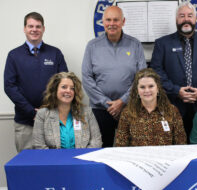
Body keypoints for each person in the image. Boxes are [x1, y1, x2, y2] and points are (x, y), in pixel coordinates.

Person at [150, 2, 197, 142]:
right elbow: (156, 71)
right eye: (182, 16)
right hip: (172, 105)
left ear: (195, 19)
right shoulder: (162, 43)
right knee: (174, 147)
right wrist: (176, 90)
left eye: (190, 15)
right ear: (176, 19)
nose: (186, 19)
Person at [82, 6, 146, 147]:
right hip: (101, 110)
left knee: (133, 149)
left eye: (116, 20)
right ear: (103, 22)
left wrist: (122, 101)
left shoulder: (135, 45)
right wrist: (107, 103)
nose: (112, 23)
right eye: (108, 20)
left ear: (123, 21)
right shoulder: (92, 46)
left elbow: (142, 78)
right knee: (102, 150)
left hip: (130, 107)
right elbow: (86, 78)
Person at [4, 12, 68, 152]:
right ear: (24, 29)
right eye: (30, 26)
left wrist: (47, 110)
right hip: (25, 123)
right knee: (26, 167)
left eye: (38, 26)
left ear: (43, 29)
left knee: (52, 165)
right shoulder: (14, 55)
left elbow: (64, 84)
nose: (34, 29)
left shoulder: (55, 53)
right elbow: (9, 87)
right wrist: (31, 112)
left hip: (52, 120)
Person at [114, 68, 187, 146]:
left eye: (151, 86)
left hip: (165, 157)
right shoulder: (127, 113)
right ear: (137, 90)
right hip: (138, 157)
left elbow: (181, 143)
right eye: (142, 87)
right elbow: (120, 145)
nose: (147, 90)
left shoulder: (172, 111)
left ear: (158, 88)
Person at [33, 72, 102, 149]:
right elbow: (39, 146)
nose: (68, 91)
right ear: (55, 90)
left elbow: (96, 141)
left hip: (82, 159)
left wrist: (82, 158)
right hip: (53, 160)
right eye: (64, 87)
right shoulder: (42, 114)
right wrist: (57, 160)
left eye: (72, 88)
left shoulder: (87, 112)